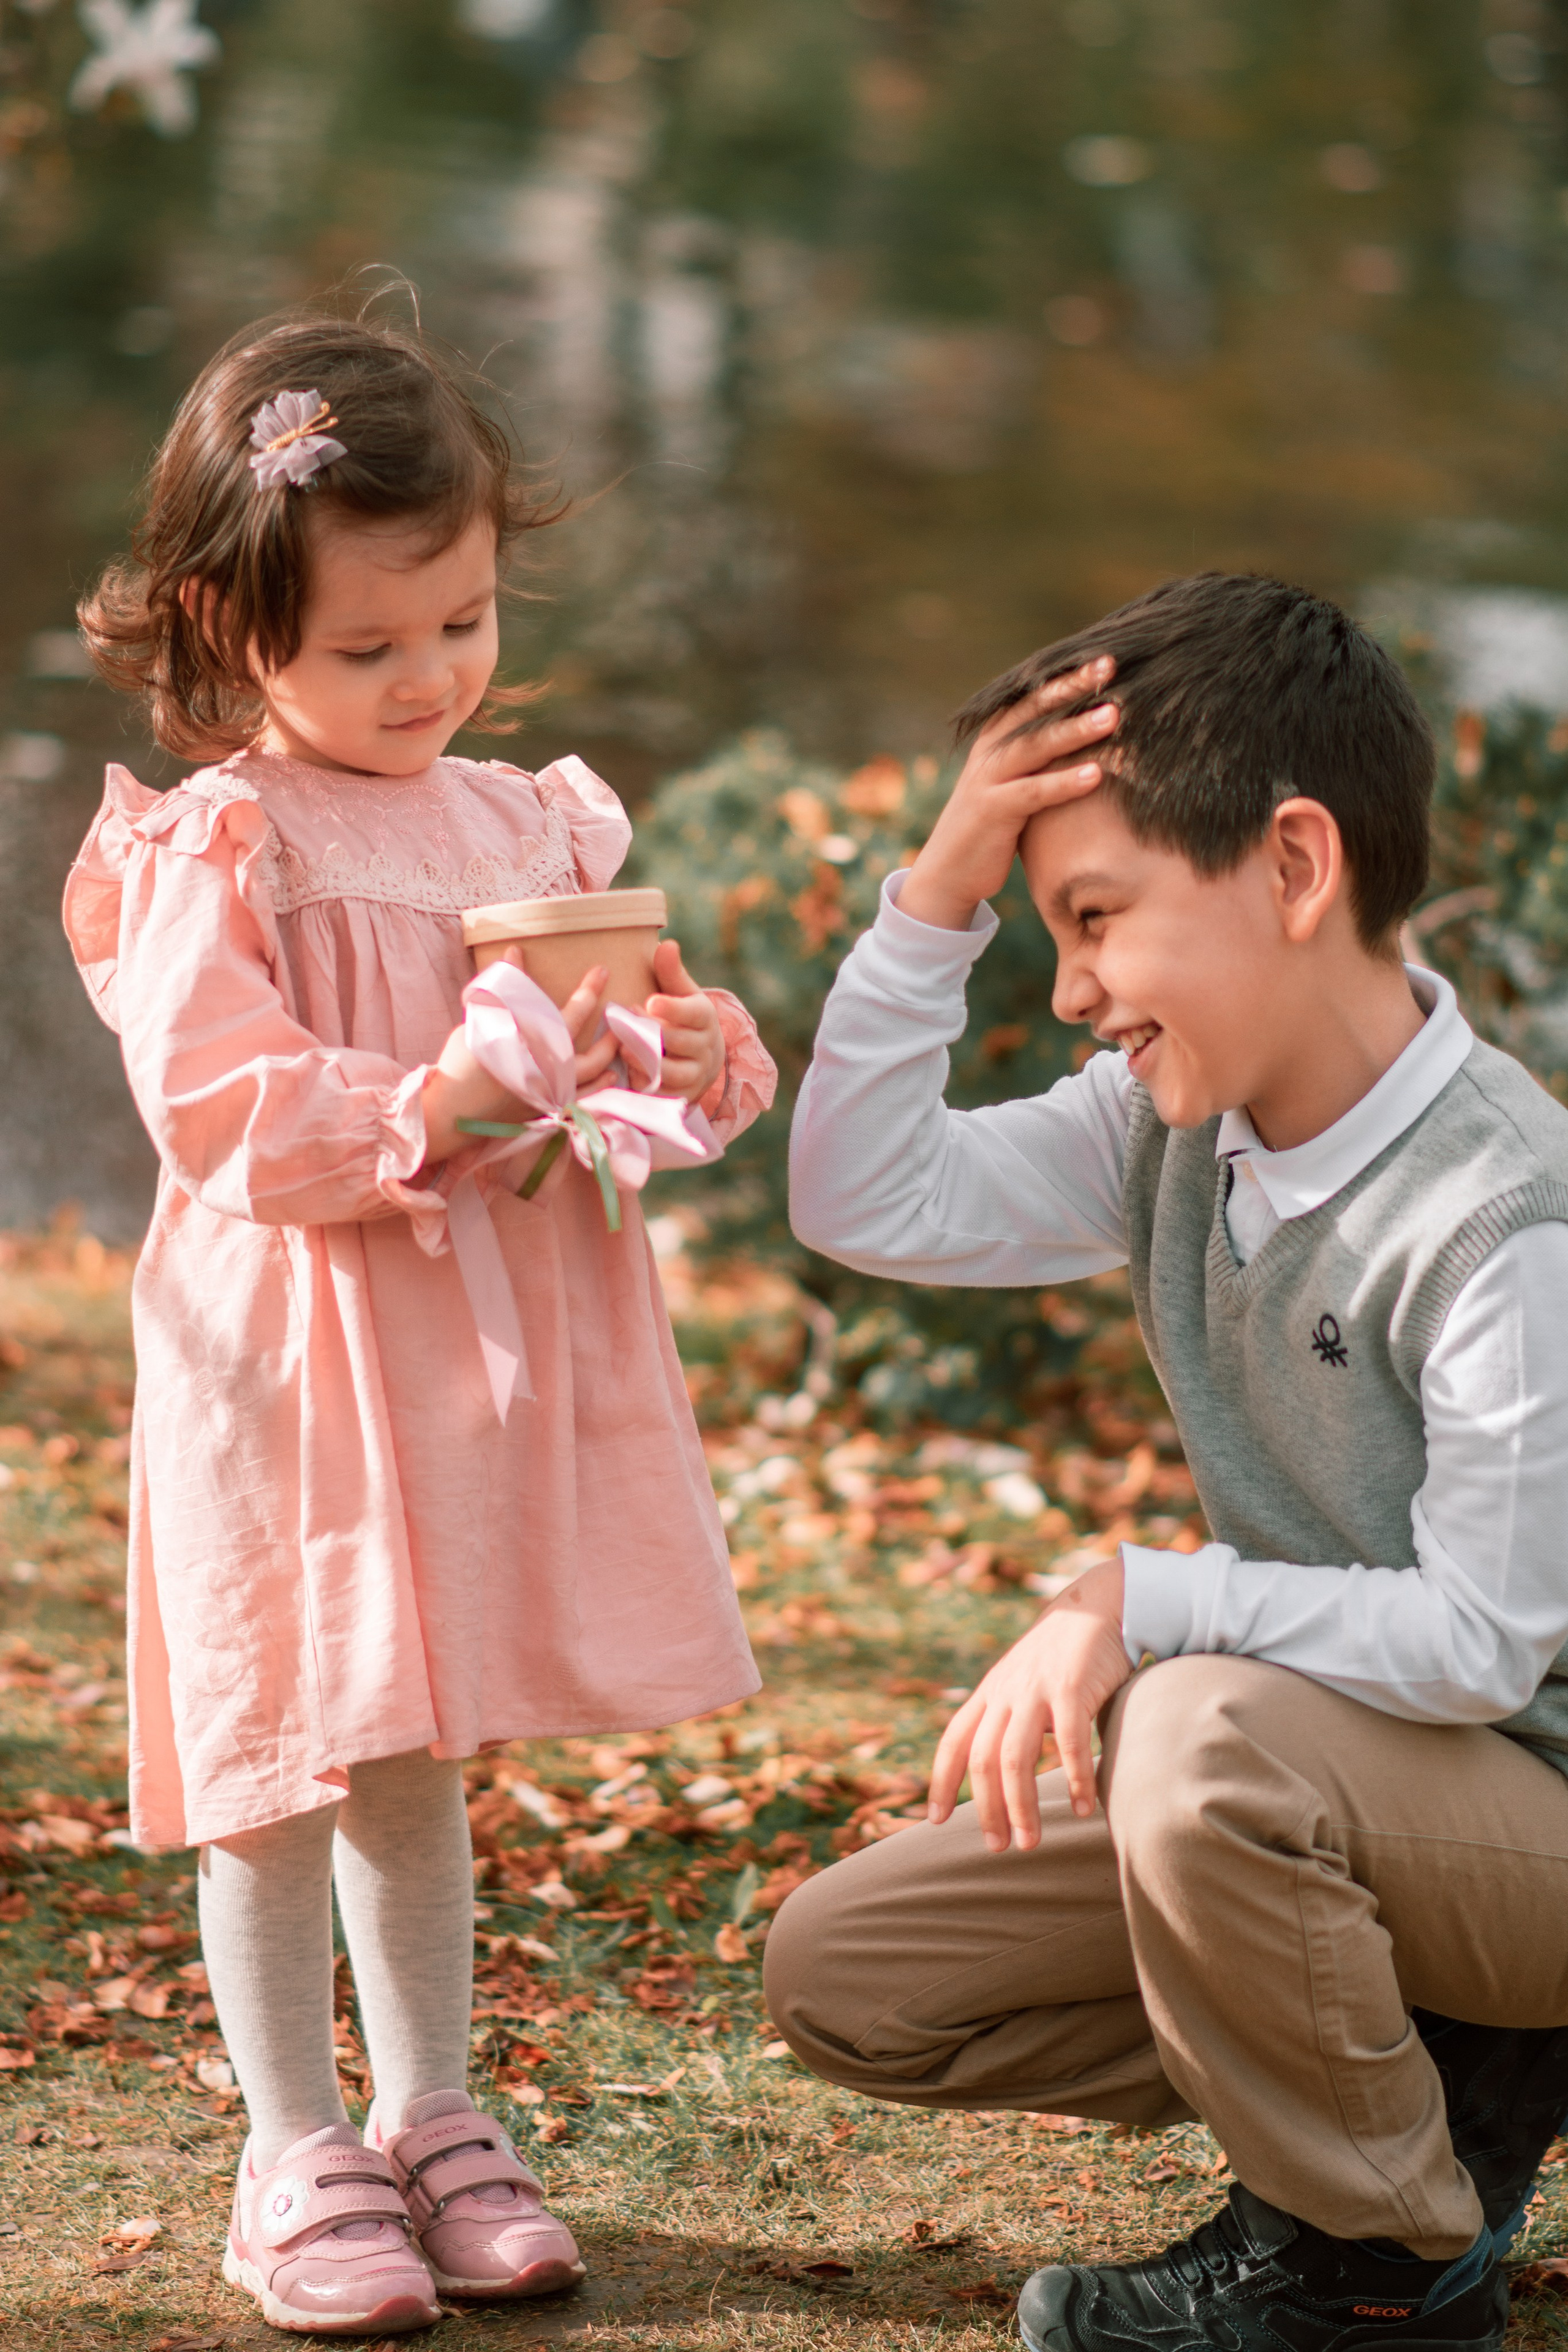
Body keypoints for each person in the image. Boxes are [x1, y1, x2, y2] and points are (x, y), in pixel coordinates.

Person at [63, 307, 775, 2337]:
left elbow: (634, 1092)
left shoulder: (526, 827)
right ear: (226, 620)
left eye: (457, 625)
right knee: (287, 1742)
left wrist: (679, 1049)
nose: (430, 679)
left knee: (414, 1742)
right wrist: (430, 1103)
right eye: (369, 649)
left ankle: (436, 2111)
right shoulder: (228, 837)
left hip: (452, 1365)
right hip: (288, 1355)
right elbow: (216, 1110)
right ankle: (291, 2147)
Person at [771, 571, 1568, 2352]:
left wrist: (1143, 1599)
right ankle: (1428, 2078)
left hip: (1537, 1808)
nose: (1069, 992)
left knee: (1202, 1733)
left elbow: (1484, 1649)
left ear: (1295, 869)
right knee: (855, 1980)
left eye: (1097, 916)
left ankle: (1379, 2275)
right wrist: (945, 876)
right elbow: (861, 1196)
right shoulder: (1165, 1131)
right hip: (1336, 1811)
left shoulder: (1508, 1211)